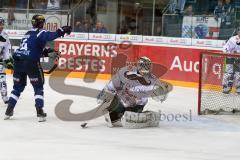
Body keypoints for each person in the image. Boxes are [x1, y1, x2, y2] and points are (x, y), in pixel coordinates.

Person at [4, 14, 72, 122]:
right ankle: (40, 112)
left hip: (18, 62)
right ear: (40, 23)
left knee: (17, 88)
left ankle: (9, 110)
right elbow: (50, 36)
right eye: (42, 22)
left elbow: (30, 49)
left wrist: (45, 53)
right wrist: (62, 30)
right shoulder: (41, 32)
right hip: (31, 63)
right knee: (38, 87)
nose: (43, 24)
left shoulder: (27, 34)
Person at [97, 56, 172, 128]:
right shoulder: (126, 72)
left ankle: (118, 116)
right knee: (117, 109)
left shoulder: (152, 79)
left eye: (146, 69)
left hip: (137, 105)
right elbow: (112, 85)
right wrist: (103, 94)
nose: (144, 73)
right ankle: (112, 114)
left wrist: (161, 94)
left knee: (131, 115)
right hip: (123, 99)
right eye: (142, 69)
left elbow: (160, 94)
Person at [0, 17, 14, 104]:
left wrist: (8, 60)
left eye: (2, 24)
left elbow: (6, 50)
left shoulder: (5, 36)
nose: (1, 26)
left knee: (2, 79)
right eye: (0, 24)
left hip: (0, 61)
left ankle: (5, 97)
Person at [222, 27, 240, 94]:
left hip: (239, 59)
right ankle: (226, 87)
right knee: (229, 73)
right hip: (230, 58)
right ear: (238, 32)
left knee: (238, 74)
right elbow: (225, 49)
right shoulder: (232, 39)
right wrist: (229, 55)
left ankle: (238, 88)